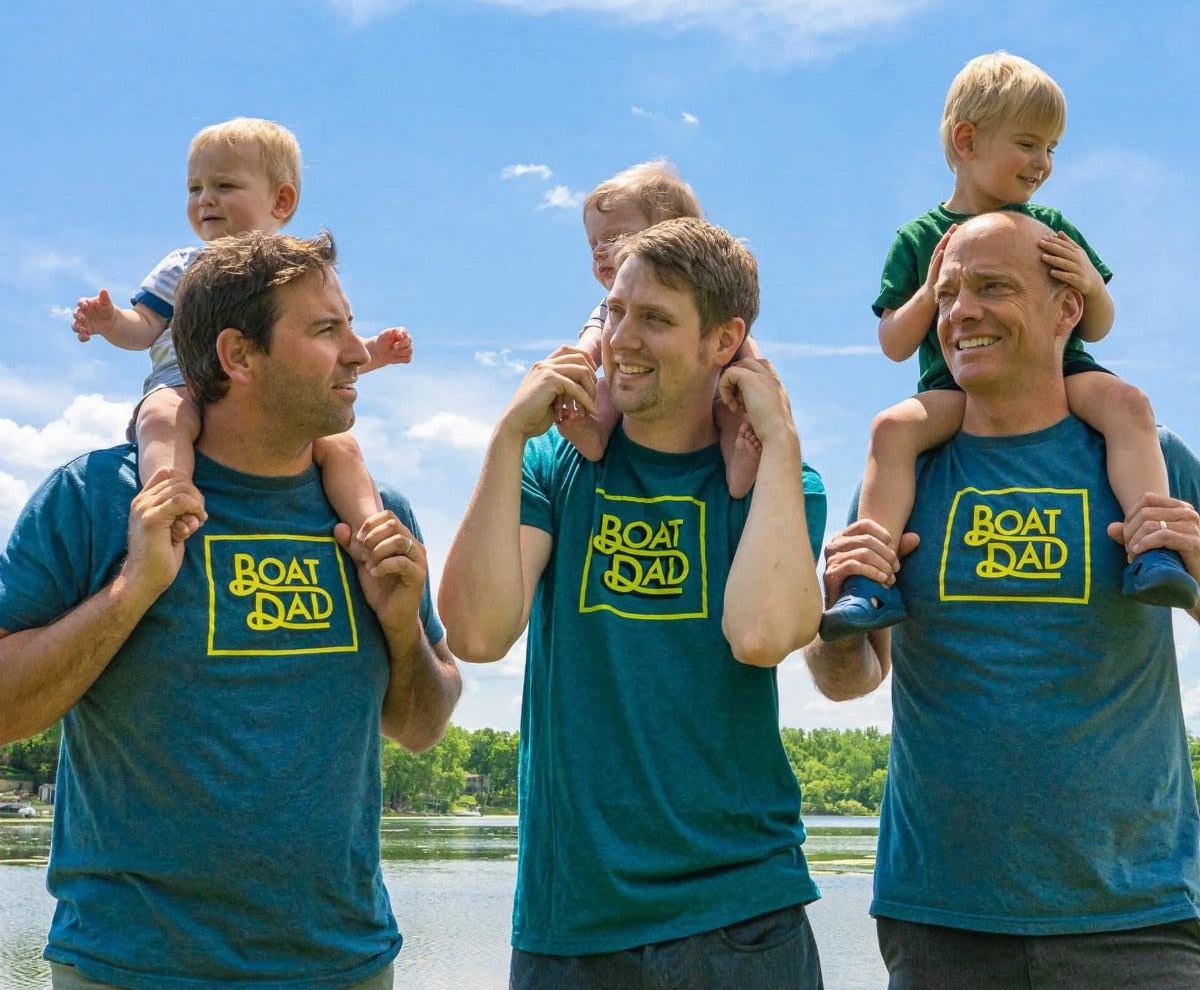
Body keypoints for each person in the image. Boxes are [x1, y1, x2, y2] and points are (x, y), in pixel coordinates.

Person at [0, 230, 461, 989]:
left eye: (350, 325)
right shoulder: (93, 501)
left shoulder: (381, 517)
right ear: (239, 356)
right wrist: (132, 590)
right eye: (325, 330)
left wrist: (403, 625)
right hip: (130, 968)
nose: (356, 353)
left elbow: (420, 725)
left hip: (343, 965)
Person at [806, 211, 1200, 989]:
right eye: (949, 294)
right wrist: (831, 628)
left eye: (993, 288)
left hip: (1137, 916)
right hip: (939, 917)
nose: (961, 313)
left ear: (1067, 310)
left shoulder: (1147, 458)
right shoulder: (904, 473)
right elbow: (847, 678)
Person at [440, 217, 828, 989]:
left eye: (655, 319)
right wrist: (508, 438)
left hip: (741, 917)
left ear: (725, 342)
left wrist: (780, 440)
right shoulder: (555, 466)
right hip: (571, 922)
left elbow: (759, 634)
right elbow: (478, 633)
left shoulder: (777, 484)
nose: (621, 338)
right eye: (616, 311)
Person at [821, 52, 1196, 640]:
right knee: (892, 429)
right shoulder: (920, 237)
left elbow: (1095, 326)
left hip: (1063, 374)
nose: (1042, 163)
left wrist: (1088, 280)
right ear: (967, 140)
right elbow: (895, 344)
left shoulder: (1051, 225)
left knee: (1129, 407)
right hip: (954, 390)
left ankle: (1155, 549)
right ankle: (868, 581)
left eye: (1051, 149)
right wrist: (932, 289)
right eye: (1028, 144)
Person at [71, 116, 412, 541]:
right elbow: (143, 328)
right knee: (161, 416)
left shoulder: (299, 275)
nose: (205, 200)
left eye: (224, 186)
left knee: (339, 444)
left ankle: (368, 531)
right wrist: (111, 322)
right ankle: (167, 503)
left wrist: (376, 350)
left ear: (281, 201)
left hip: (275, 403)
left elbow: (327, 352)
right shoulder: (183, 266)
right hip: (181, 384)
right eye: (195, 189)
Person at [556, 159, 763, 497]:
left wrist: (758, 387)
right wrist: (576, 363)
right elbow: (594, 342)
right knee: (606, 389)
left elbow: (751, 361)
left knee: (735, 413)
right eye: (592, 243)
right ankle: (594, 433)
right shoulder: (610, 304)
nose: (598, 253)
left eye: (614, 237)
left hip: (712, 397)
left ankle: (738, 463)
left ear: (670, 231)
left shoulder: (711, 305)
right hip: (639, 391)